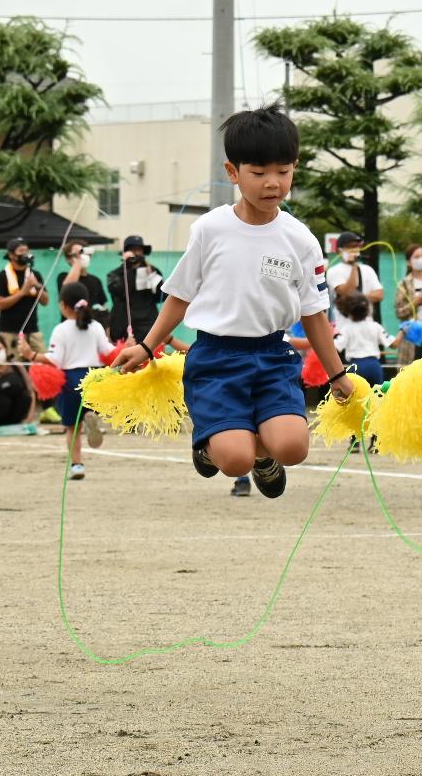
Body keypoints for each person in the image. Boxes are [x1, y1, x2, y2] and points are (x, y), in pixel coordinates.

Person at [111, 108, 354, 498]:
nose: (272, 183)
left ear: (295, 167)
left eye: (283, 171)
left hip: (274, 356)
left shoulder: (302, 239)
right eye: (258, 173)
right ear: (232, 172)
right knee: (234, 460)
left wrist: (337, 375)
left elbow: (314, 314)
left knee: (293, 447)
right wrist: (145, 346)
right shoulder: (210, 229)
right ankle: (219, 449)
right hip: (216, 357)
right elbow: (180, 297)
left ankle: (264, 457)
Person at [47, 281, 112, 481]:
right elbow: (108, 352)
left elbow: (54, 359)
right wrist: (125, 348)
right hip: (94, 377)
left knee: (71, 428)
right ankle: (91, 414)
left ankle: (77, 465)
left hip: (70, 379)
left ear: (64, 305)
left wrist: (31, 355)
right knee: (87, 410)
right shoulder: (97, 326)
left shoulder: (61, 329)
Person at [0, 237, 50, 362]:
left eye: (26, 251)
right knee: (15, 369)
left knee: (43, 365)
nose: (25, 254)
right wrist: (23, 292)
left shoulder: (35, 275)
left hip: (33, 331)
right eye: (21, 251)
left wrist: (37, 286)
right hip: (10, 332)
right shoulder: (1, 277)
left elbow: (45, 301)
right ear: (11, 255)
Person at [108, 235, 168, 347]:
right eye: (132, 250)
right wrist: (128, 268)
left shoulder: (152, 271)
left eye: (139, 250)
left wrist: (152, 277)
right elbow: (119, 292)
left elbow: (162, 296)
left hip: (148, 327)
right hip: (124, 328)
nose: (136, 253)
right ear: (125, 253)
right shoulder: (116, 274)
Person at [327, 232, 384, 330]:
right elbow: (347, 292)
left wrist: (356, 299)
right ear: (340, 250)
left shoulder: (367, 269)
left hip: (367, 325)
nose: (355, 249)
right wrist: (354, 267)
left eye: (357, 246)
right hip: (344, 327)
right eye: (350, 246)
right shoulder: (333, 271)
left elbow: (379, 295)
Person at [337, 294, 391, 389]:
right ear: (368, 310)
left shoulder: (346, 328)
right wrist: (403, 331)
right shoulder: (375, 326)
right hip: (374, 366)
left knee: (356, 397)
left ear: (349, 312)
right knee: (378, 395)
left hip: (355, 367)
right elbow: (393, 344)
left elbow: (336, 347)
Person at [60, 240, 107, 316]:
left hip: (92, 323)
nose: (82, 257)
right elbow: (68, 287)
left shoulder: (96, 280)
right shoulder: (63, 277)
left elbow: (103, 305)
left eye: (84, 254)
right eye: (77, 255)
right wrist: (77, 262)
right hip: (72, 323)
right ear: (68, 259)